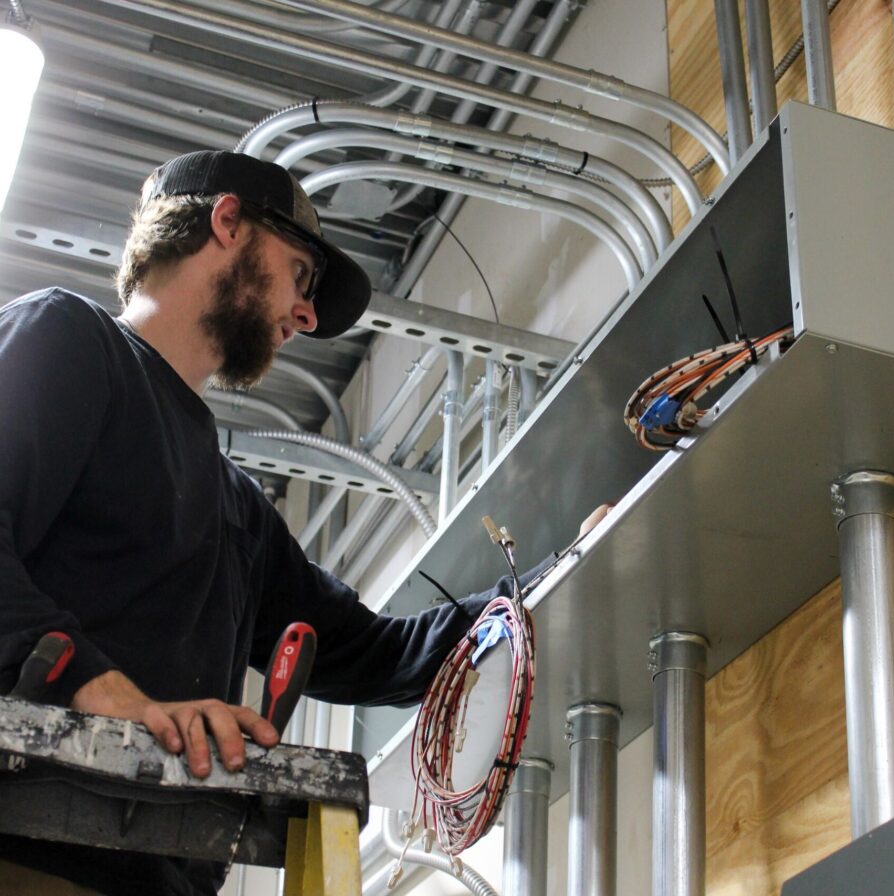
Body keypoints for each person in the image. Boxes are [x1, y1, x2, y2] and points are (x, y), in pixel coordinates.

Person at [0, 151, 612, 895]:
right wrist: (106, 691)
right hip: (30, 844)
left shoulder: (236, 511)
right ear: (227, 223)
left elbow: (376, 652)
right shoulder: (68, 339)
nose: (307, 313)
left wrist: (569, 565)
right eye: (300, 273)